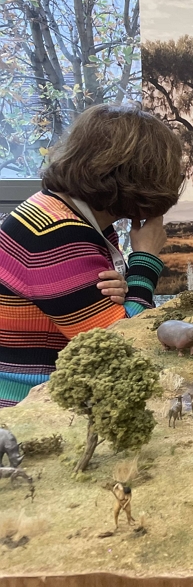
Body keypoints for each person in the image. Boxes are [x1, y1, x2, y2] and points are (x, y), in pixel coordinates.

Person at [0, 105, 183, 408]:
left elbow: (93, 313)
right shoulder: (56, 236)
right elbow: (123, 348)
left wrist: (122, 291)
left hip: (55, 386)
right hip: (34, 402)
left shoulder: (60, 213)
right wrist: (146, 259)